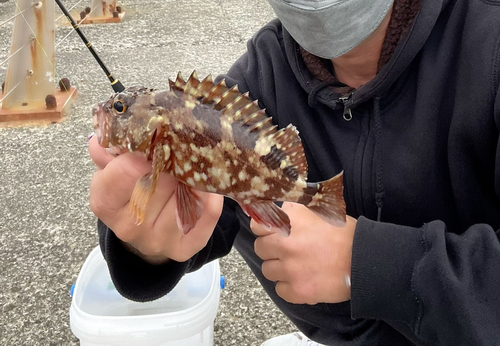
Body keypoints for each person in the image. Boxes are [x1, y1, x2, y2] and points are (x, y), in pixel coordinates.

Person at [88, 0, 500, 344]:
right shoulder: (260, 76)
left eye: (121, 110)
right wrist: (143, 247)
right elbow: (200, 222)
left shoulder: (489, 42)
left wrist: (369, 264)